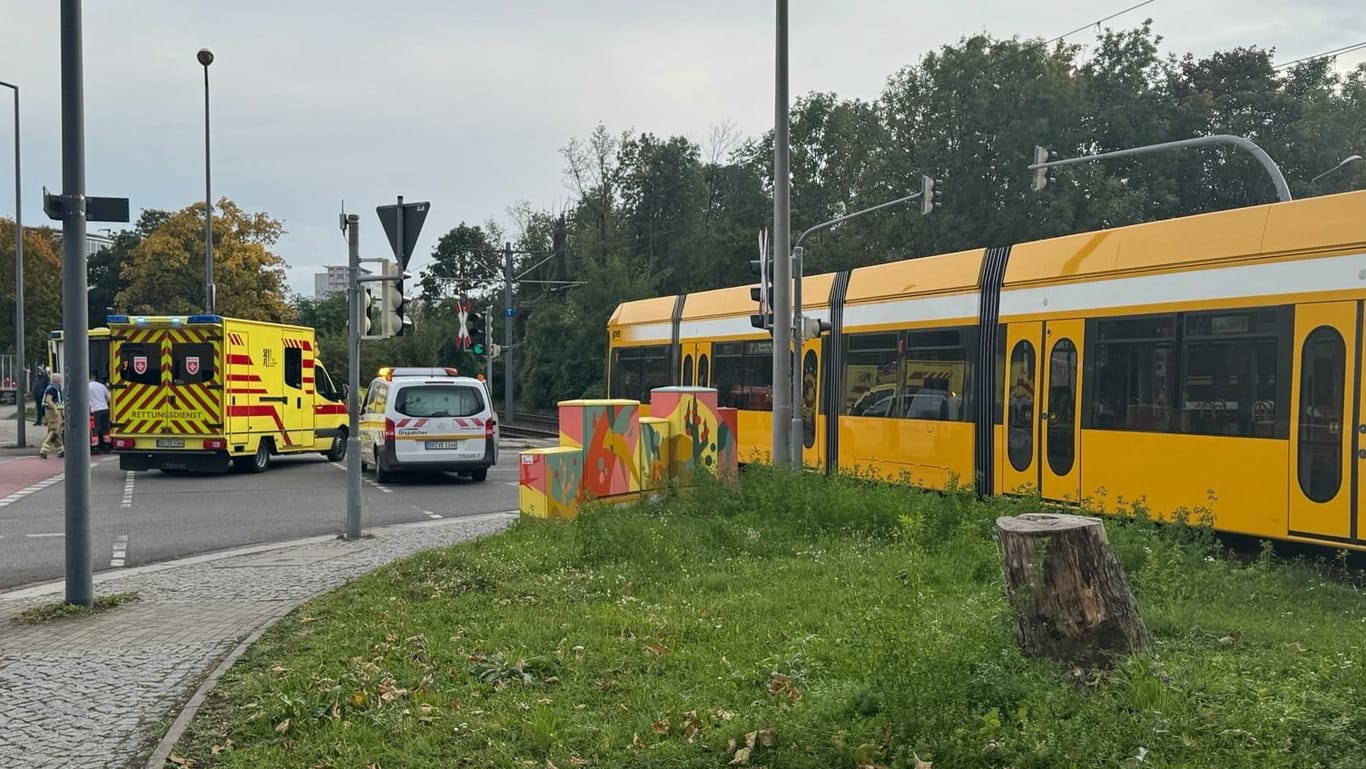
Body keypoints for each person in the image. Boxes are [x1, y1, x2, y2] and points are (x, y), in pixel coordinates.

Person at [40, 372, 64, 459]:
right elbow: (49, 400)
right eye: (59, 378)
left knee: (57, 431)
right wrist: (55, 410)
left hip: (56, 411)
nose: (61, 379)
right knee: (54, 431)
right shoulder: (51, 389)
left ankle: (61, 450)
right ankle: (44, 450)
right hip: (52, 412)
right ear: (56, 380)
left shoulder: (56, 389)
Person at [89, 376, 112, 453]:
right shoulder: (102, 386)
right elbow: (109, 397)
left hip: (94, 410)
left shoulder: (87, 387)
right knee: (105, 428)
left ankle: (95, 447)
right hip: (104, 409)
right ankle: (107, 445)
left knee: (95, 428)